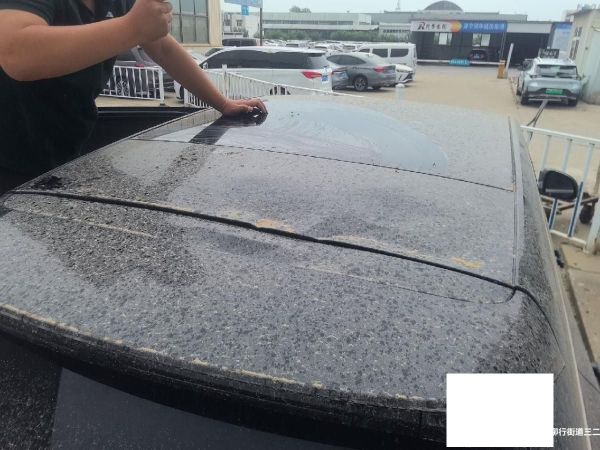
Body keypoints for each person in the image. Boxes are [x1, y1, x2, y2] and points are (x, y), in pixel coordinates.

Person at [0, 0, 267, 195]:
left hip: (63, 156)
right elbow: (16, 54)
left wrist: (222, 103)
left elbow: (162, 47)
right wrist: (131, 28)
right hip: (9, 160)